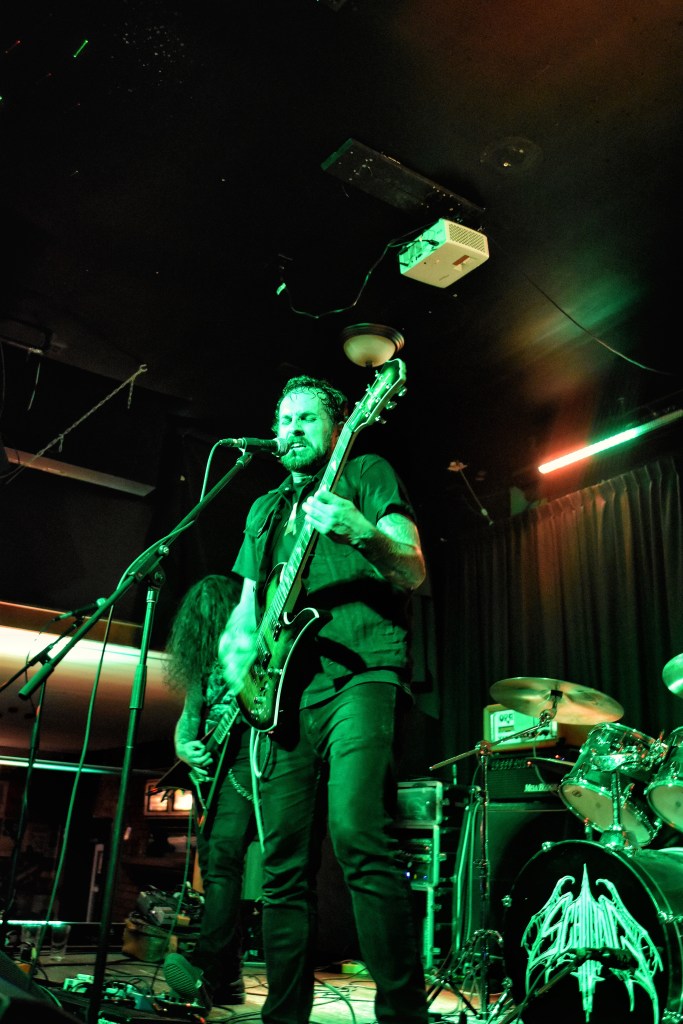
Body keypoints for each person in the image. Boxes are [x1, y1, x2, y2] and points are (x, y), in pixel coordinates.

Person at [217, 372, 430, 1024]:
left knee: (357, 832)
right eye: (284, 421)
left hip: (361, 673)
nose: (292, 430)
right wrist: (237, 658)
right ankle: (283, 1017)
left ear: (339, 425)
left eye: (306, 418)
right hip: (283, 696)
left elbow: (412, 568)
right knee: (280, 866)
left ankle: (402, 1015)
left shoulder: (365, 470)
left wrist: (361, 530)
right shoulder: (264, 509)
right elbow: (247, 609)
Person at [160, 574, 257, 1010]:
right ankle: (229, 977)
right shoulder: (202, 665)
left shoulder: (250, 649)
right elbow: (189, 716)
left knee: (224, 865)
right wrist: (185, 747)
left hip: (244, 762)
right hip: (211, 775)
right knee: (217, 868)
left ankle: (207, 970)